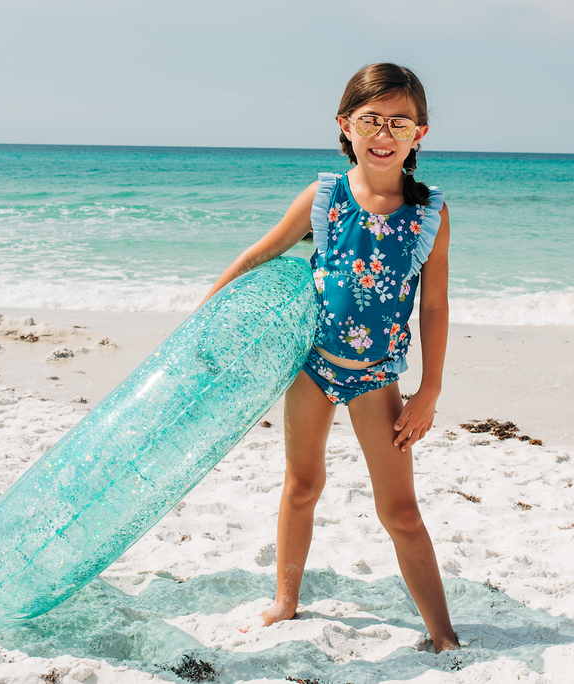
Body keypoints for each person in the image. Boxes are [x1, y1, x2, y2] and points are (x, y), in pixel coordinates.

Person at [200, 63, 459, 653]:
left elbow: (436, 306)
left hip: (376, 378)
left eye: (400, 121)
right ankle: (285, 601)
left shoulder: (429, 214)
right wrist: (203, 318)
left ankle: (442, 634)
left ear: (420, 133)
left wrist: (429, 391)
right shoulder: (324, 197)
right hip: (311, 367)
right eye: (372, 119)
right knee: (301, 484)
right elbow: (256, 257)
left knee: (400, 510)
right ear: (346, 125)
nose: (384, 132)